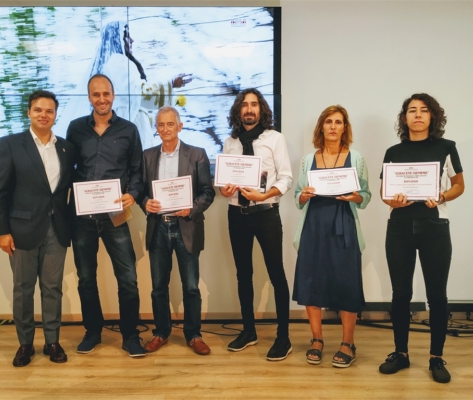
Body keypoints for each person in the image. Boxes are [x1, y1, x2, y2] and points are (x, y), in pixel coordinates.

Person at [378, 93, 464, 383]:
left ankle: (436, 357)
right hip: (399, 227)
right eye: (412, 110)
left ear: (432, 116)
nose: (417, 115)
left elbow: (459, 185)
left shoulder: (446, 147)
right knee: (401, 294)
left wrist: (442, 195)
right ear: (404, 118)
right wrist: (394, 201)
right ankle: (400, 353)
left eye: (423, 110)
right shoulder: (393, 152)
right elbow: (384, 194)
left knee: (437, 295)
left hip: (434, 226)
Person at [0, 90, 74, 367]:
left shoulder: (66, 147)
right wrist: (1, 231)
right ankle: (25, 344)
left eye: (49, 111)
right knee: (23, 289)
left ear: (56, 115)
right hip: (21, 230)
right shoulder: (10, 144)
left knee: (52, 288)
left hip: (56, 230)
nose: (43, 115)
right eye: (38, 110)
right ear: (29, 112)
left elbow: (66, 190)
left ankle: (52, 341)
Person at [66, 74, 146, 357]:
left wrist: (133, 194)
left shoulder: (129, 130)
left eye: (106, 94)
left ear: (114, 95)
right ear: (89, 97)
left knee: (128, 279)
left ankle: (130, 335)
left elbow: (137, 171)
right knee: (86, 278)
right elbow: (69, 170)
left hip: (116, 215)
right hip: (83, 218)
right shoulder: (75, 129)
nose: (102, 99)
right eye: (96, 94)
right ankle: (93, 331)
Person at [292, 105, 371, 368]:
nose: (334, 127)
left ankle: (348, 343)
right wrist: (302, 196)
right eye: (329, 122)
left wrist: (356, 196)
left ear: (345, 128)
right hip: (313, 226)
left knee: (347, 283)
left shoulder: (356, 157)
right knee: (311, 281)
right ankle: (317, 339)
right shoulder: (307, 160)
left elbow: (366, 196)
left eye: (339, 122)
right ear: (322, 127)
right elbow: (298, 197)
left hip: (344, 224)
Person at [221, 88, 293, 361]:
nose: (249, 109)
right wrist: (224, 190)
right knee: (243, 275)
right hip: (236, 214)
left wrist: (265, 194)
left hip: (266, 213)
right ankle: (249, 331)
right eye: (245, 105)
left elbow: (285, 178)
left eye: (254, 104)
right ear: (239, 111)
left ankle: (283, 337)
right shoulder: (230, 142)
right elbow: (223, 184)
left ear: (261, 110)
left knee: (277, 275)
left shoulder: (274, 139)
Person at [140, 106, 215, 355]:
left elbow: (208, 192)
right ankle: (161, 332)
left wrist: (192, 209)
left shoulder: (197, 154)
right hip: (158, 227)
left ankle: (193, 335)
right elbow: (140, 191)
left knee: (191, 286)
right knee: (158, 286)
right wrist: (144, 203)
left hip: (186, 226)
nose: (165, 129)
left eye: (170, 124)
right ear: (156, 128)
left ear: (180, 126)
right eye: (160, 125)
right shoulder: (147, 156)